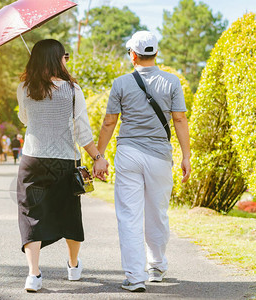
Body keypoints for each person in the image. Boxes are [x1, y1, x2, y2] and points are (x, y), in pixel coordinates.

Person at [94, 31, 191, 293]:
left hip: (128, 154)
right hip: (160, 156)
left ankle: (135, 278)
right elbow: (180, 120)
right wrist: (186, 156)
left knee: (129, 216)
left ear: (133, 55)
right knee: (157, 212)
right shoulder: (172, 81)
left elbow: (109, 122)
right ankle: (157, 267)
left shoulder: (121, 83)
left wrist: (99, 156)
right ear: (156, 53)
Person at [16, 39, 108, 292]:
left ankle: (34, 274)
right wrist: (98, 158)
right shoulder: (72, 89)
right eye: (64, 55)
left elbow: (25, 119)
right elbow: (82, 131)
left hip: (33, 158)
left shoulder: (24, 87)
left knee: (30, 213)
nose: (67, 59)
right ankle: (74, 265)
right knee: (69, 211)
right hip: (65, 160)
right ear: (58, 59)